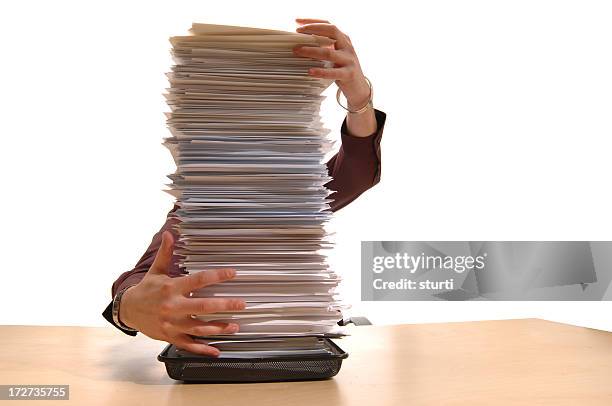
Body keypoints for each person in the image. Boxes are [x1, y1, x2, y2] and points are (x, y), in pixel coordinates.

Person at [102, 19, 387, 356]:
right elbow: (142, 279)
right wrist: (131, 308)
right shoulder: (201, 209)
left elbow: (355, 173)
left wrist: (358, 97)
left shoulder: (297, 192)